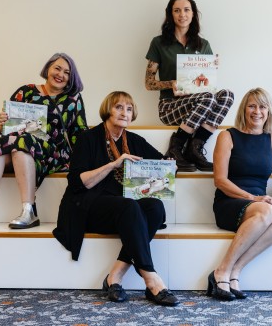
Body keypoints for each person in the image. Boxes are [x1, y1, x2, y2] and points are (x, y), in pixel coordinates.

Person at [52, 91, 179, 307]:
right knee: (130, 207)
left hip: (122, 209)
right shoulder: (88, 138)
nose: (124, 112)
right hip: (88, 205)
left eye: (129, 109)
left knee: (155, 208)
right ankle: (151, 278)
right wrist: (114, 164)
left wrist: (170, 166)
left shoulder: (135, 140)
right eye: (119, 107)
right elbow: (79, 182)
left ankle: (115, 276)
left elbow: (161, 163)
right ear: (107, 110)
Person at [0, 53, 88, 229]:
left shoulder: (73, 98)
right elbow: (6, 124)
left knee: (22, 144)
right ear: (48, 68)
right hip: (19, 145)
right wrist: (1, 121)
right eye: (57, 68)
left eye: (66, 72)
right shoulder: (25, 91)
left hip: (51, 152)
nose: (61, 74)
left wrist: (86, 160)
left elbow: (79, 133)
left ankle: (29, 210)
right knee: (1, 142)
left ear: (70, 78)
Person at [209, 88, 272, 301]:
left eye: (262, 106)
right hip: (230, 202)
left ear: (268, 111)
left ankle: (235, 270)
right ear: (244, 109)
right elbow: (220, 180)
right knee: (267, 211)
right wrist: (253, 198)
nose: (257, 111)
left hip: (260, 206)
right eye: (252, 105)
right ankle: (221, 270)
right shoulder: (227, 136)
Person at [145, 0, 234, 172]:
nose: (182, 14)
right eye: (176, 10)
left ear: (193, 14)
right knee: (208, 98)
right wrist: (171, 84)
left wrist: (211, 72)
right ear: (170, 15)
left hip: (199, 104)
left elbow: (208, 87)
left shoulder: (203, 45)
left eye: (186, 10)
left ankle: (195, 147)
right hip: (170, 106)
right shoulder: (159, 43)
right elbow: (148, 82)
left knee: (227, 95)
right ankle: (176, 147)